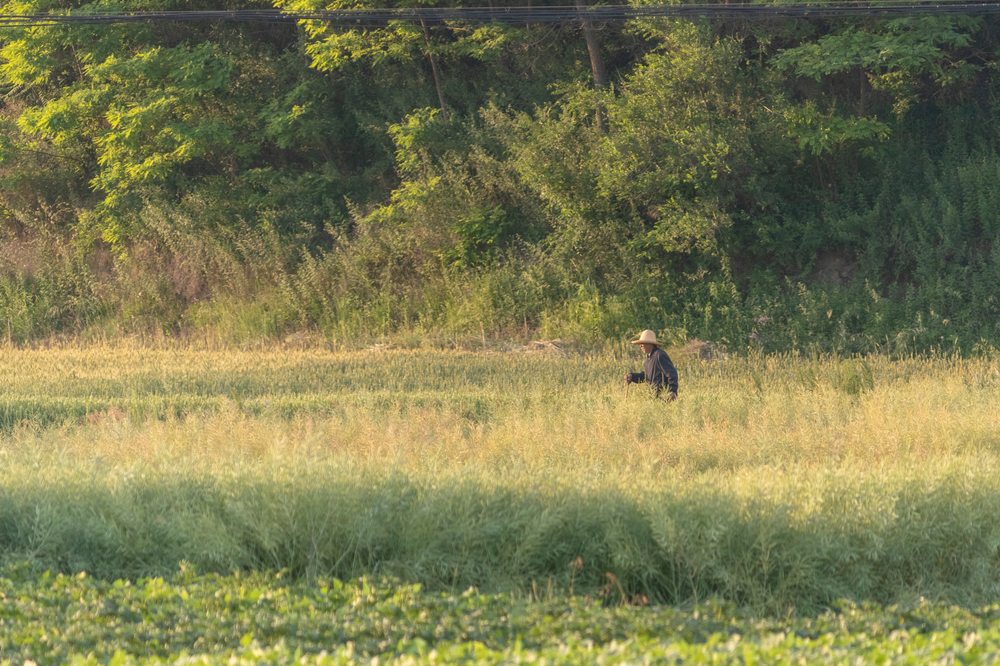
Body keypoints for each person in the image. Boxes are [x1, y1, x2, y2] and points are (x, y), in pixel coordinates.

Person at [624, 330, 678, 400]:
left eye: (642, 343)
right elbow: (646, 377)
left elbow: (672, 374)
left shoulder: (660, 355)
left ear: (649, 344)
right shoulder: (648, 359)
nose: (640, 346)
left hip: (664, 397)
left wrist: (672, 391)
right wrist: (632, 376)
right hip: (653, 397)